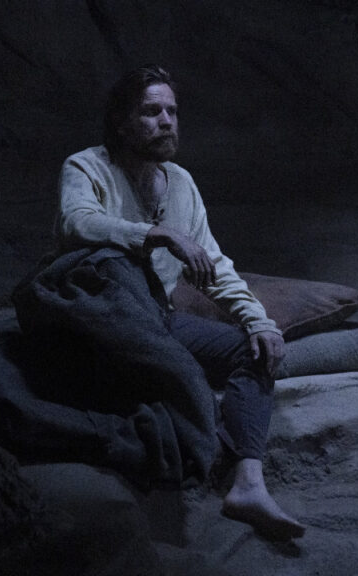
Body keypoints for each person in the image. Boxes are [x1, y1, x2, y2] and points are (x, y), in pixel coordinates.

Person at [55, 64, 304, 540]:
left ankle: (248, 484)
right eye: (152, 112)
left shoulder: (181, 184)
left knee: (251, 351)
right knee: (176, 381)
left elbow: (213, 263)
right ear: (122, 122)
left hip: (159, 320)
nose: (166, 121)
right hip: (100, 320)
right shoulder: (87, 167)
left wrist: (259, 321)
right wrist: (157, 234)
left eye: (172, 111)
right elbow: (77, 222)